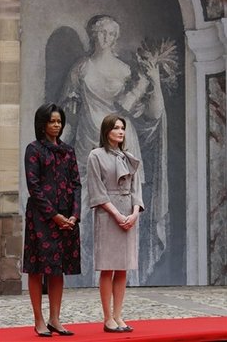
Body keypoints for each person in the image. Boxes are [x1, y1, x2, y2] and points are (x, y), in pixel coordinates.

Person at [60, 14, 168, 285]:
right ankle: (87, 276)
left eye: (110, 33)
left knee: (125, 201)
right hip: (88, 139)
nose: (105, 38)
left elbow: (149, 113)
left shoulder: (125, 70)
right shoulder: (81, 68)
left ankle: (123, 274)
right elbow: (67, 109)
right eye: (100, 32)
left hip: (123, 139)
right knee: (87, 208)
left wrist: (151, 80)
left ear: (116, 37)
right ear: (92, 35)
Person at [23, 102, 81, 337]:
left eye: (58, 121)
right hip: (41, 218)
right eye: (51, 121)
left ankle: (55, 319)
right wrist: (54, 215)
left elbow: (77, 183)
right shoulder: (34, 149)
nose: (56, 125)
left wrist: (74, 215)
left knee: (58, 269)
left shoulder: (68, 150)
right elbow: (33, 187)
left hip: (67, 218)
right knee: (37, 269)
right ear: (42, 123)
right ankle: (38, 319)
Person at [87, 114, 144, 332]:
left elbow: (136, 189)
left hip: (129, 214)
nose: (120, 131)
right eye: (116, 128)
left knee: (123, 269)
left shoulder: (129, 157)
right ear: (106, 131)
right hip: (108, 215)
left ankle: (119, 316)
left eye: (122, 128)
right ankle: (107, 317)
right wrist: (117, 214)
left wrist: (134, 213)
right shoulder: (96, 156)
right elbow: (97, 191)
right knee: (108, 268)